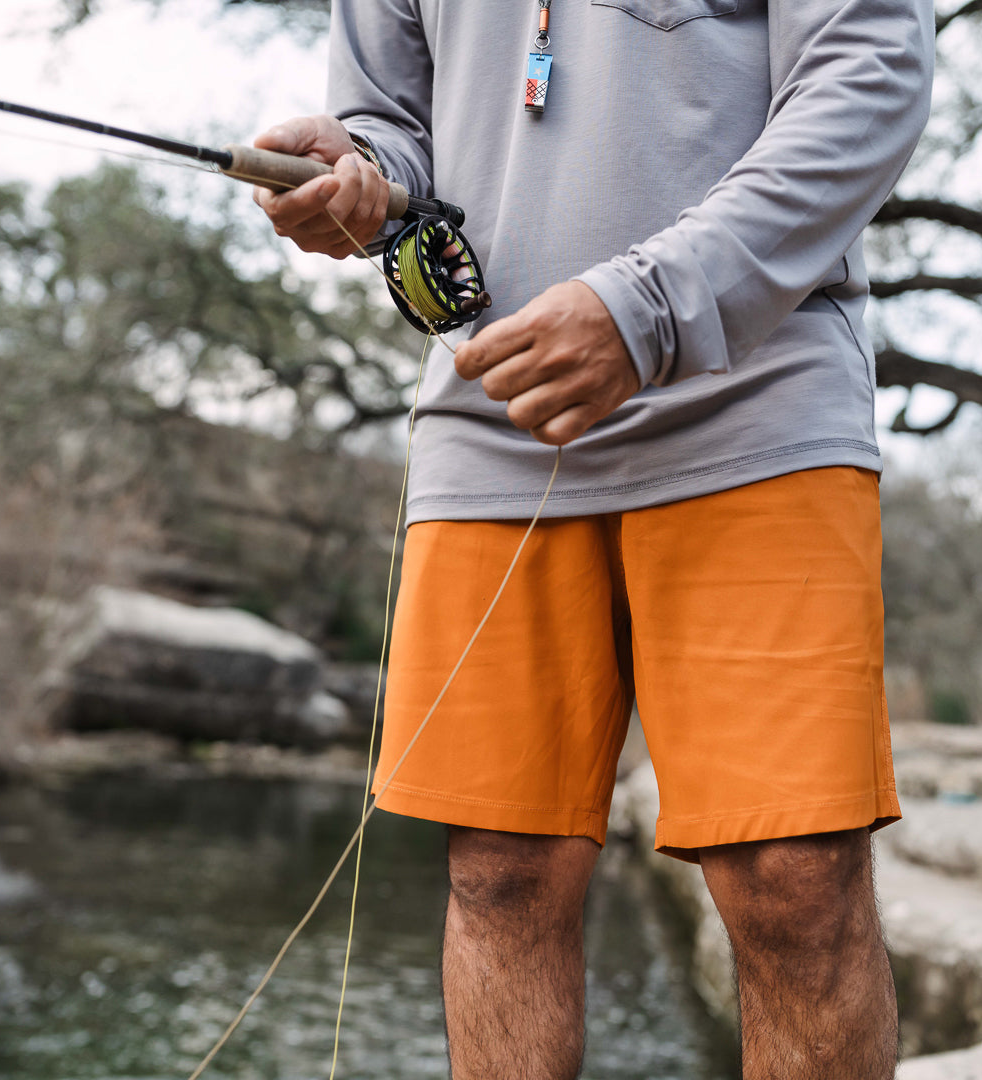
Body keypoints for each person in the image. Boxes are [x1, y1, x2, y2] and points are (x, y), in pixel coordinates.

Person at [253, 0, 934, 1073]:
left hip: (756, 405)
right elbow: (390, 124)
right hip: (492, 422)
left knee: (793, 879)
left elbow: (869, 74)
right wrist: (359, 172)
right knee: (499, 874)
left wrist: (650, 307)